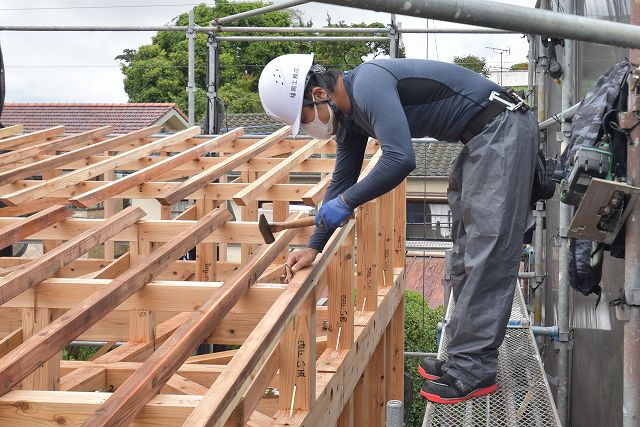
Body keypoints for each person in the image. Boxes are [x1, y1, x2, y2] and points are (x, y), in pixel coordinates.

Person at [258, 53, 538, 404]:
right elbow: (342, 180)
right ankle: (460, 358)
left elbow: (400, 158)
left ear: (317, 94)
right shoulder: (350, 120)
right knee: (466, 251)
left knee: (488, 251)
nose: (310, 127)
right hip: (483, 138)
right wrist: (314, 245)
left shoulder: (369, 84)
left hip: (502, 129)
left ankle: (474, 371)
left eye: (304, 118)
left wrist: (345, 204)